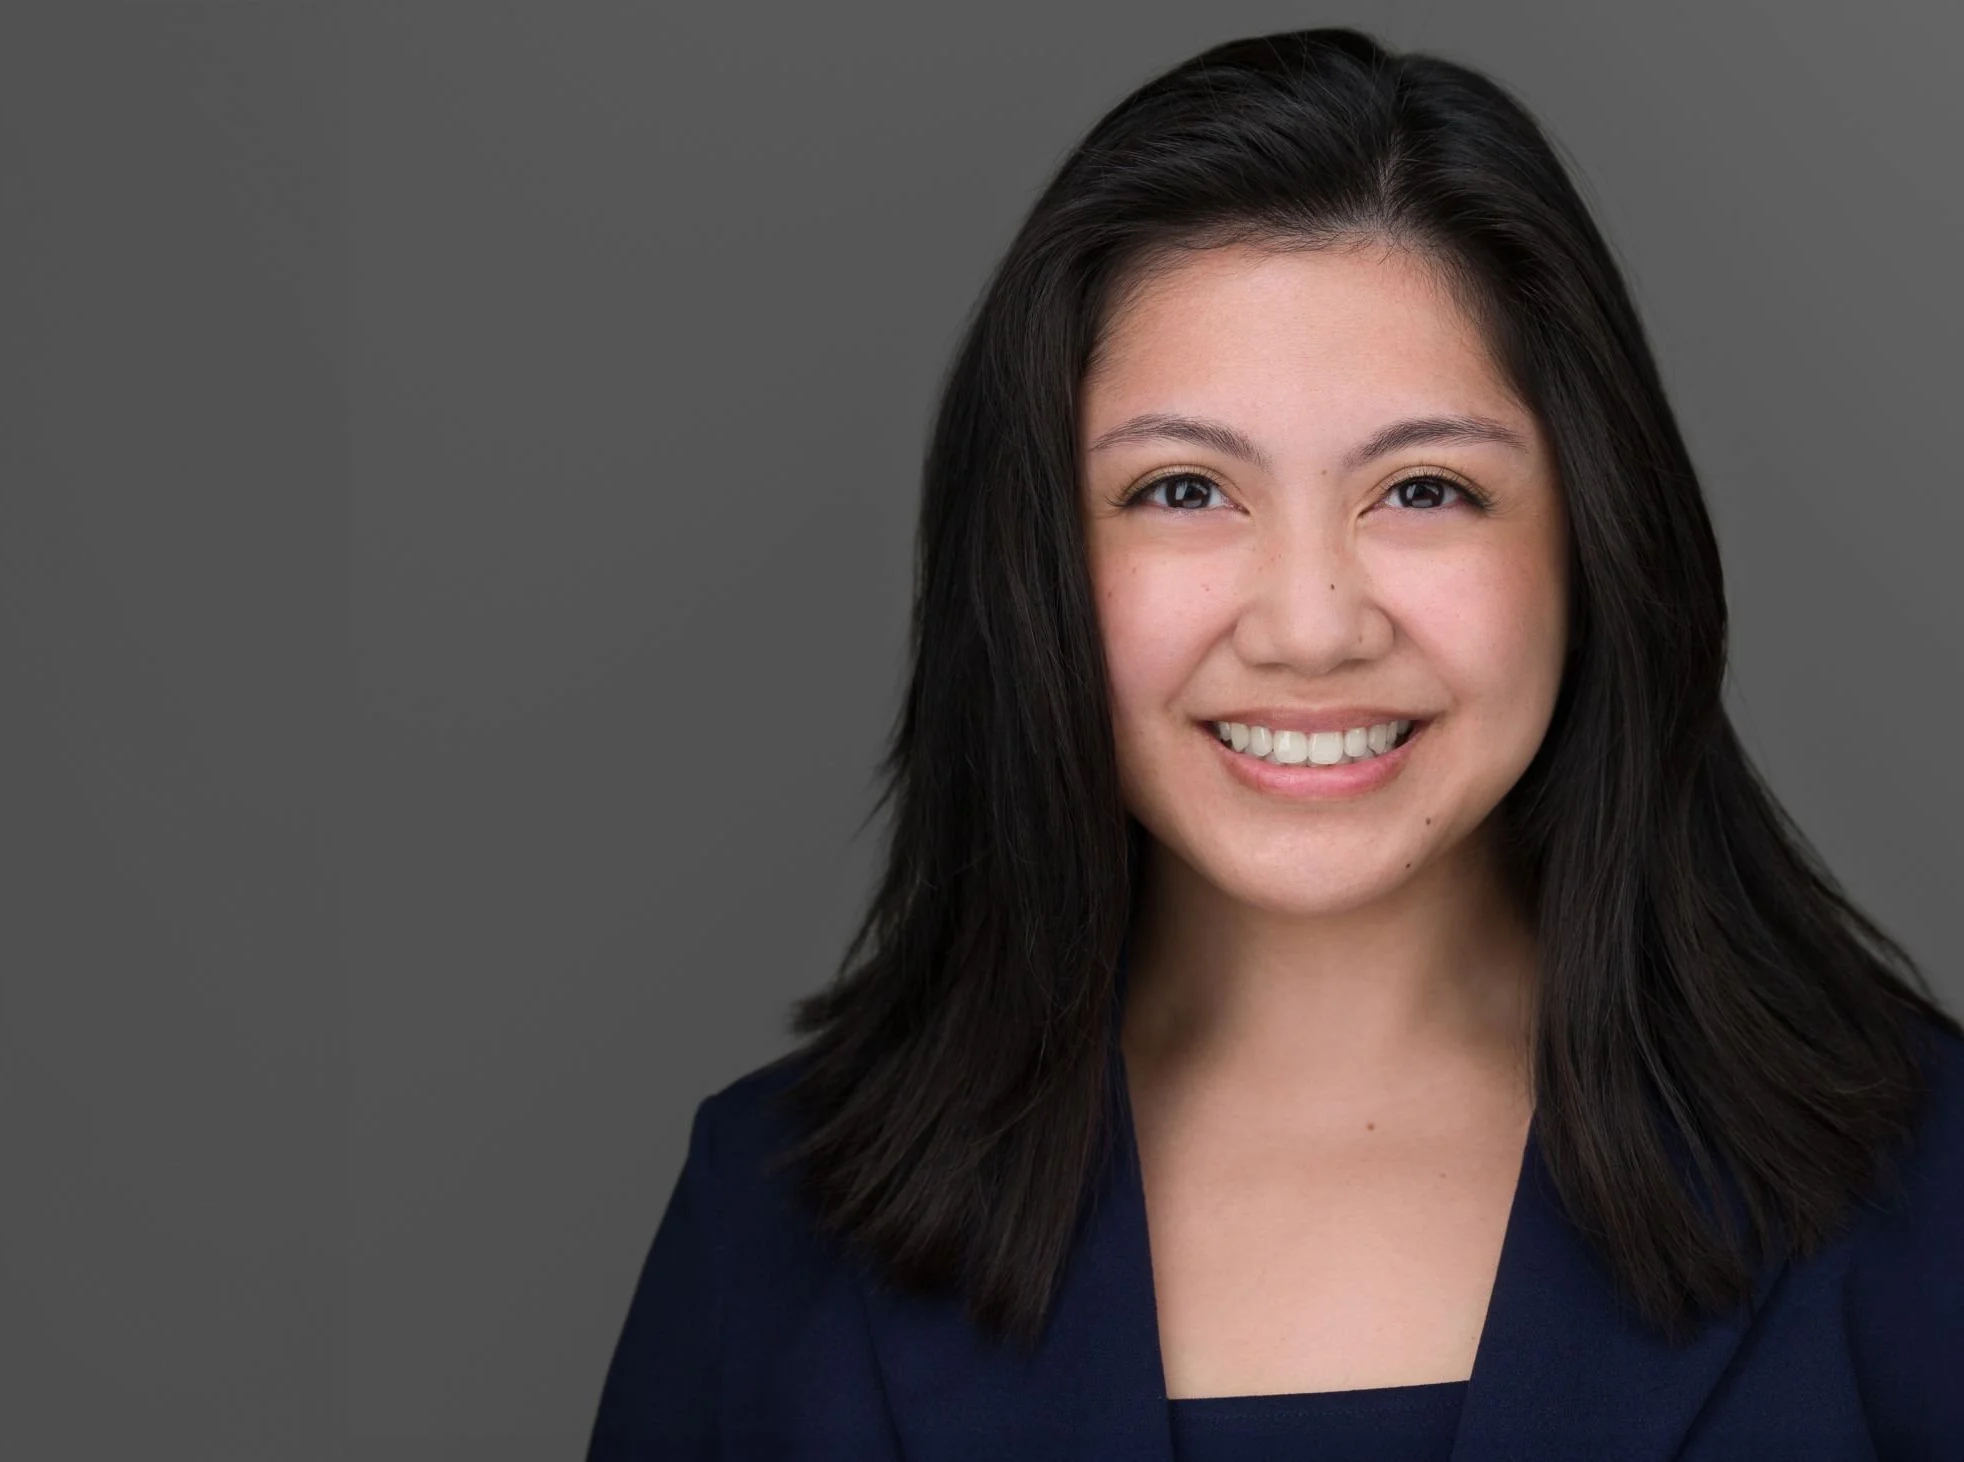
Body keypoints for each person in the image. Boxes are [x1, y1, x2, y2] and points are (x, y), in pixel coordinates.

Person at [587, 27, 1964, 1461]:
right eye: (1182, 488)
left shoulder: (1931, 1204)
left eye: (1425, 487)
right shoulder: (772, 1226)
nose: (1311, 626)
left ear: (1594, 543)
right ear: (1036, 561)